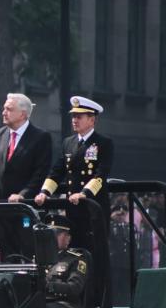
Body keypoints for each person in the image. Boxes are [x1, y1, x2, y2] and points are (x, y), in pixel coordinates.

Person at [35, 96, 114, 250]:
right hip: (73, 209)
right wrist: (45, 192)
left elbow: (101, 174)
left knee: (95, 250)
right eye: (73, 116)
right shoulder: (68, 142)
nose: (74, 120)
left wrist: (84, 193)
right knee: (75, 250)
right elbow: (57, 171)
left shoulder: (103, 143)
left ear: (92, 120)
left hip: (93, 207)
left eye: (79, 117)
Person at [0, 92, 52, 257]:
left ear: (23, 114)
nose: (3, 112)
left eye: (9, 109)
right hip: (2, 207)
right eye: (3, 108)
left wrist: (23, 194)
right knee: (7, 255)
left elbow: (41, 172)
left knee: (27, 253)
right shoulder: (0, 134)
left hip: (25, 209)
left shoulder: (40, 137)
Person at [43, 215, 90, 308]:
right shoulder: (40, 259)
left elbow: (75, 288)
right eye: (50, 233)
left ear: (68, 238)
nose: (52, 237)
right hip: (43, 303)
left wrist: (49, 286)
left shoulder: (76, 259)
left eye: (57, 234)